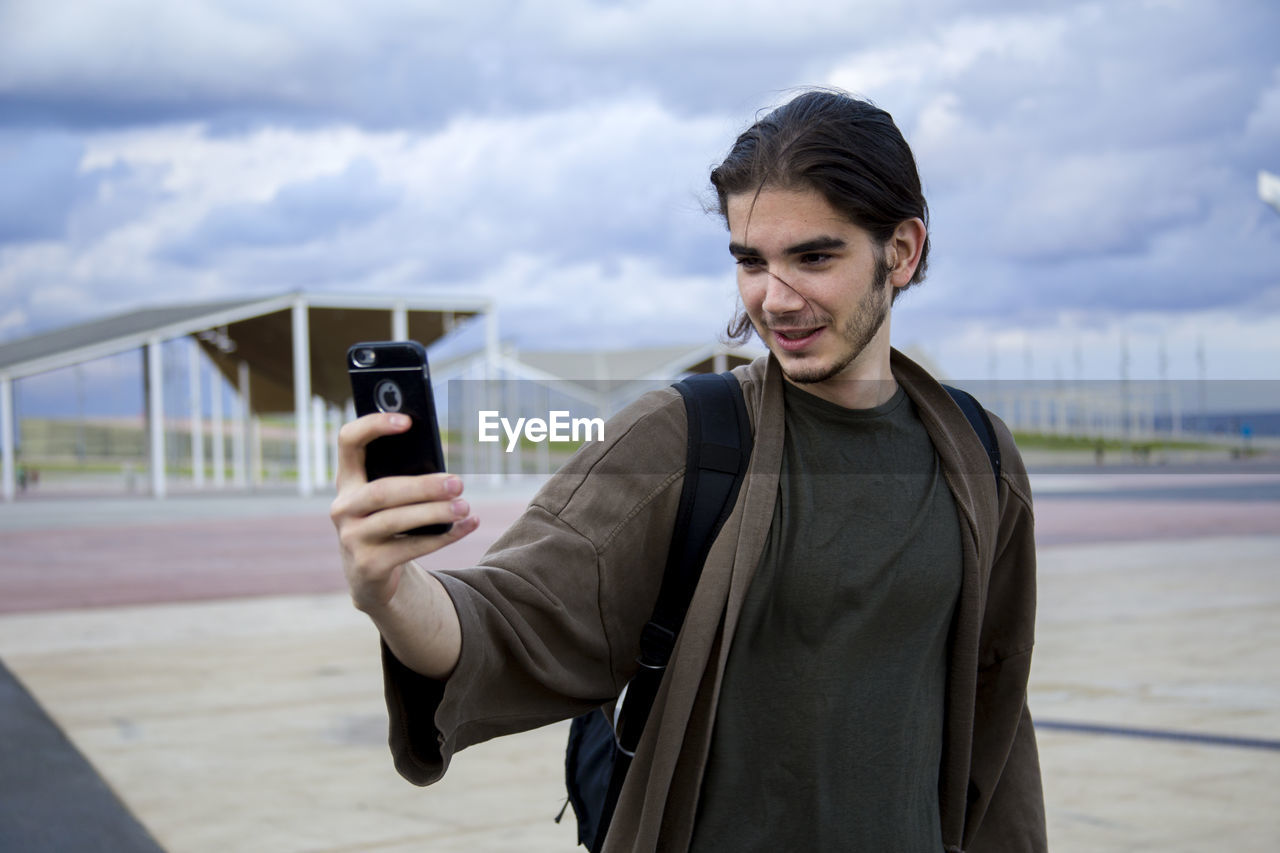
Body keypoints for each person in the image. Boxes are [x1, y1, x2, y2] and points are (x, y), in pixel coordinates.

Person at [331, 89, 1046, 852]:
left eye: (813, 256)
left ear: (900, 250)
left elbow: (995, 718)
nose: (776, 297)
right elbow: (510, 620)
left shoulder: (979, 454)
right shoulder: (686, 437)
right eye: (750, 261)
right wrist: (392, 592)